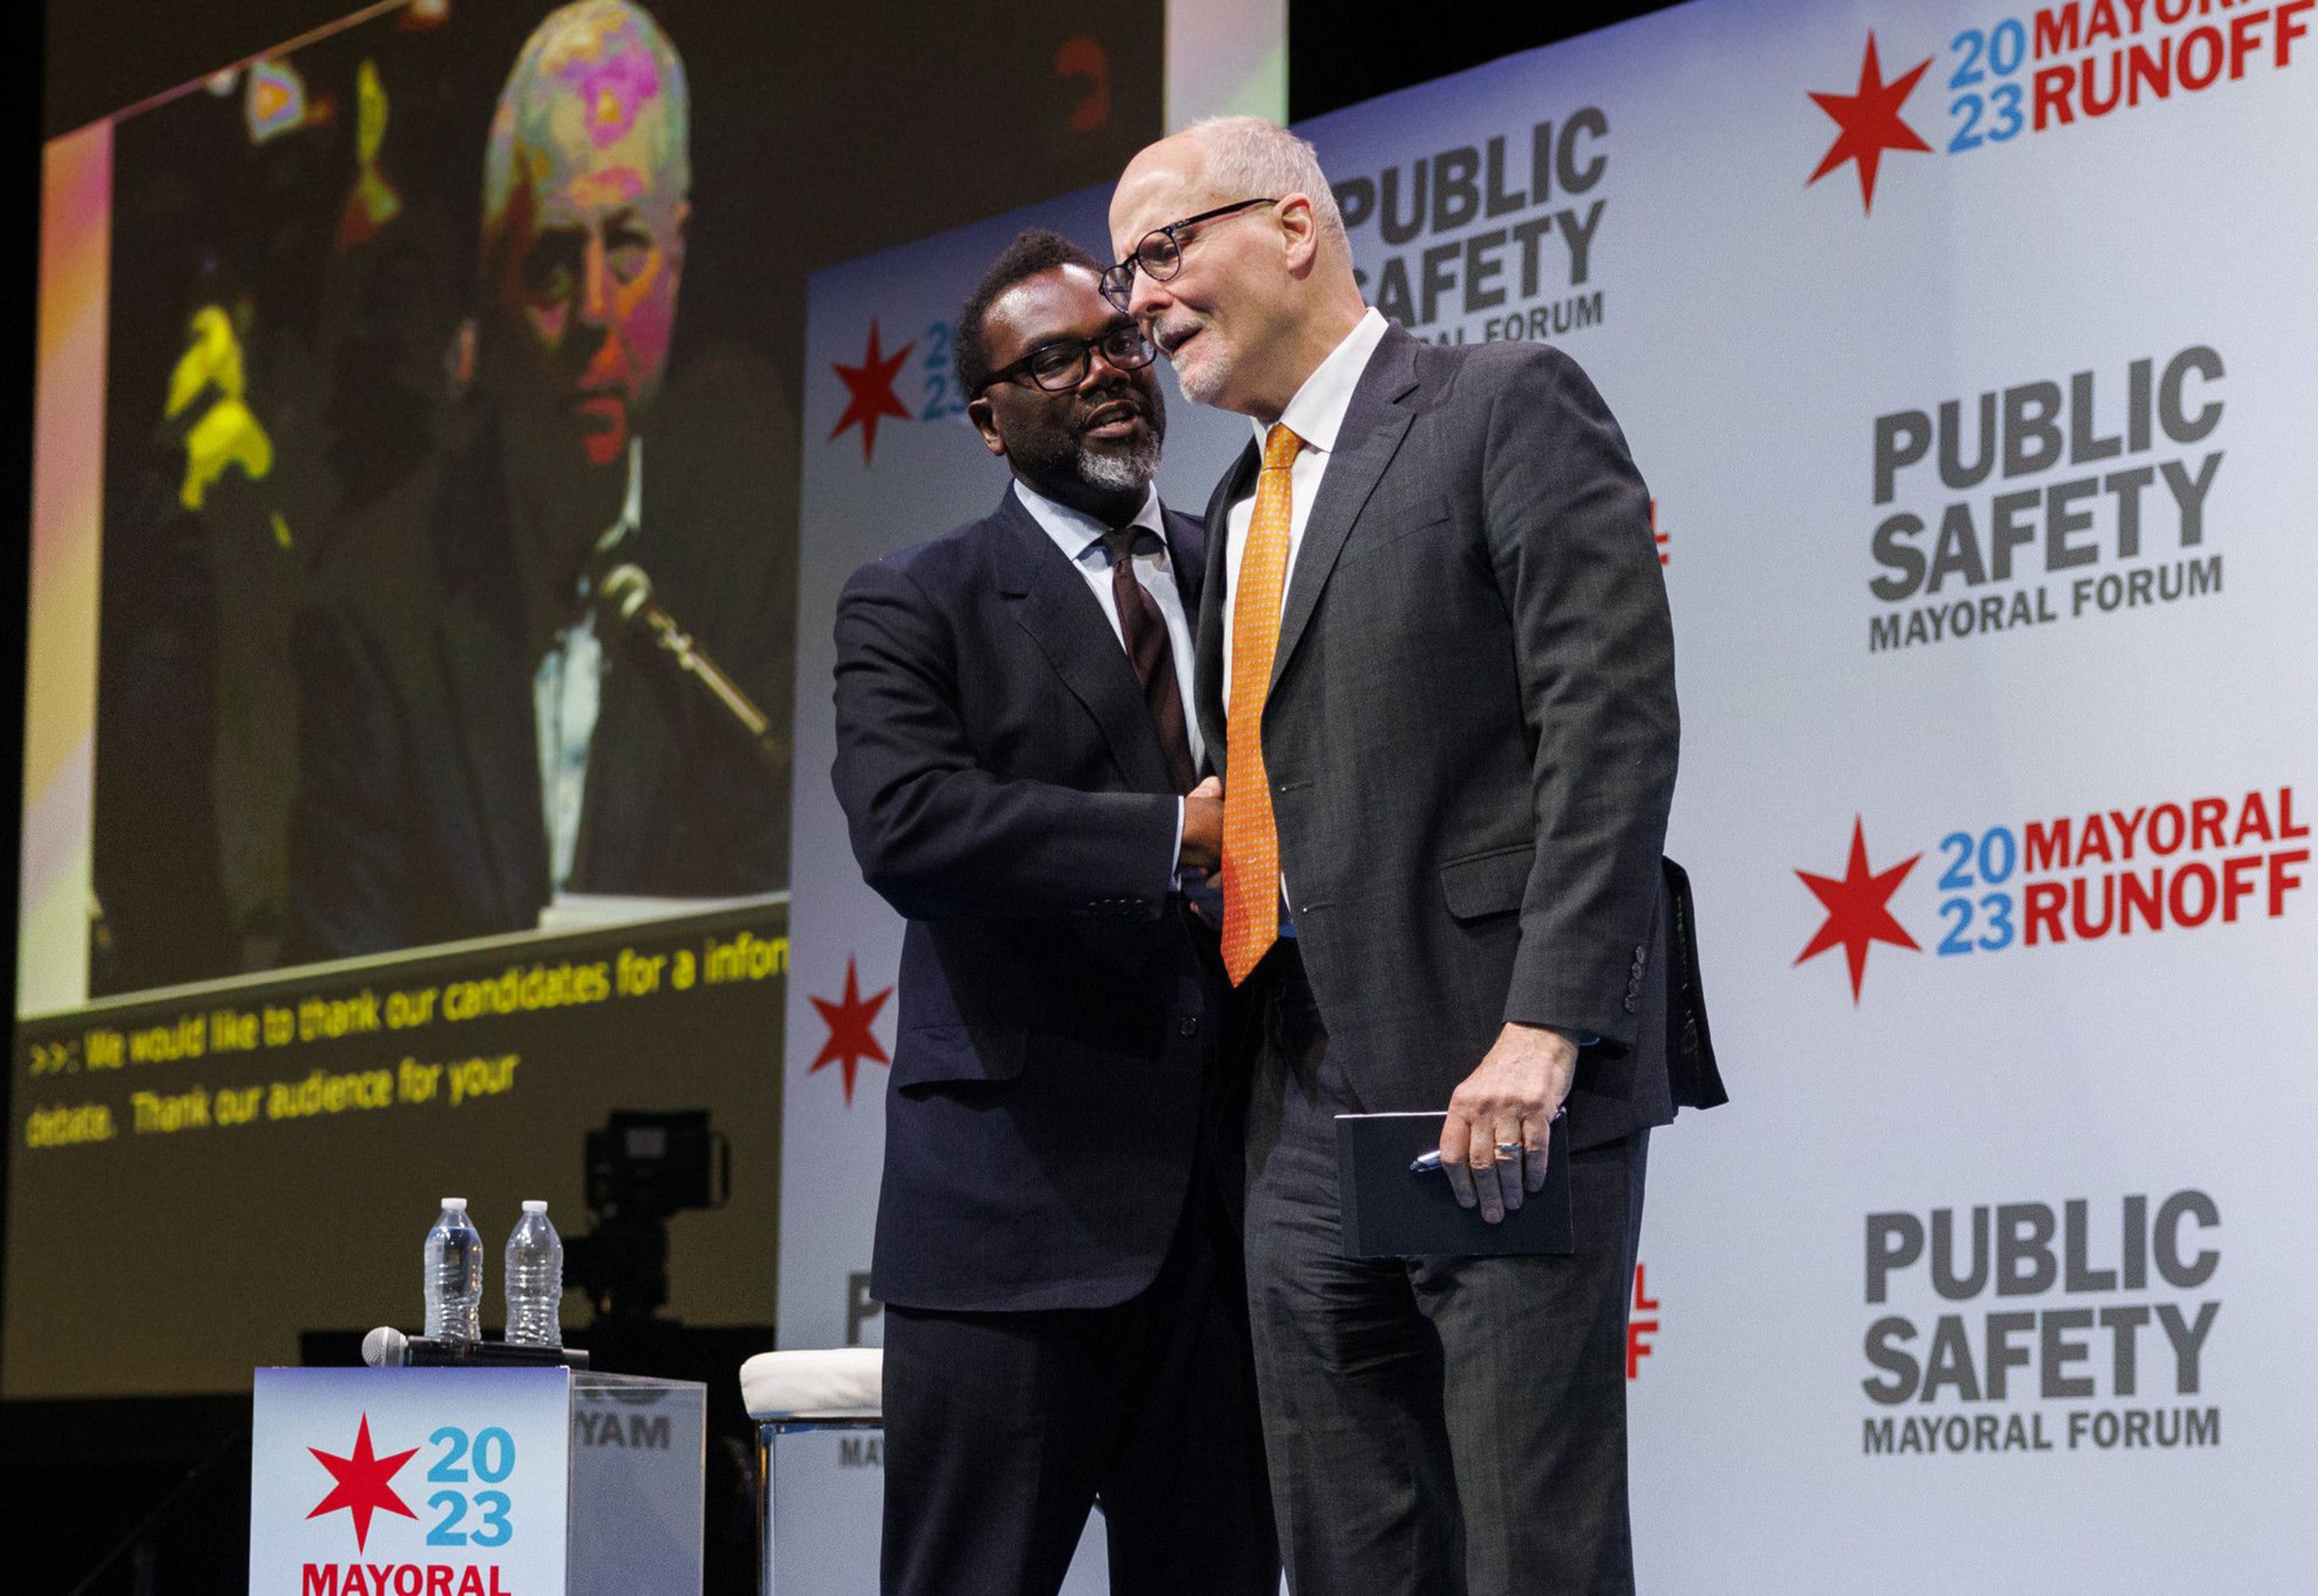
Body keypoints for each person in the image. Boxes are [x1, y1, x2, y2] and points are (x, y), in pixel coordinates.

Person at [1106, 117, 1725, 1594]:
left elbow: (1612, 723)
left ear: (1294, 226)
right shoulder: (1237, 510)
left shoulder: (1503, 405)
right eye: (1129, 269)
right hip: (1297, 1102)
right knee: (1349, 1556)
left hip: (1494, 1080)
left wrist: (1547, 1023)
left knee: (1531, 1548)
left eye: (1165, 249)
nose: (1140, 297)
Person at [830, 229, 1280, 1596]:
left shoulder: (1248, 576)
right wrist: (1170, 833)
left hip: (1235, 1228)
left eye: (1124, 342)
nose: (1106, 373)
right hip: (1011, 1237)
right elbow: (910, 826)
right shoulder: (919, 600)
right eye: (1057, 360)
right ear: (987, 419)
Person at [287, 0, 793, 959]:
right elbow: (341, 986)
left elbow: (780, 907)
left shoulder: (759, 553)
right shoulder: (372, 601)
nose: (599, 309)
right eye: (554, 261)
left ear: (678, 254)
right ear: (491, 274)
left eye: (629, 248)